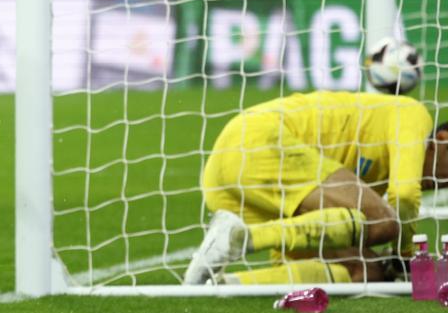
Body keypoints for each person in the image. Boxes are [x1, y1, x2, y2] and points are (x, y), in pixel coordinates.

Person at [184, 91, 448, 285]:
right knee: (383, 222)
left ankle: (215, 284)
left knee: (366, 271)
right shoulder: (413, 114)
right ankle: (240, 238)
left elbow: (293, 256)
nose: (440, 185)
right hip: (259, 140)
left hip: (228, 181)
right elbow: (403, 194)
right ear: (441, 140)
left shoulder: (369, 180)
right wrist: (405, 256)